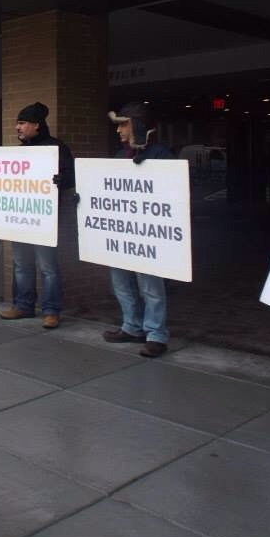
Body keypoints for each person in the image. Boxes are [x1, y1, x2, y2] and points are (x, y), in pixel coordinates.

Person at [102, 101, 174, 358]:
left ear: (139, 125)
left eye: (123, 124)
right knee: (121, 282)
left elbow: (172, 192)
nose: (118, 130)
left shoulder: (161, 155)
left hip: (146, 234)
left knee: (150, 286)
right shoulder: (119, 157)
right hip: (122, 231)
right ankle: (131, 326)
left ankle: (156, 334)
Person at [0, 101, 75, 330]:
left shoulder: (56, 148)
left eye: (22, 123)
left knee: (47, 267)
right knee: (21, 264)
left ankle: (51, 311)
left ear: (36, 125)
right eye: (17, 123)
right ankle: (23, 306)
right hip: (20, 218)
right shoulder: (19, 152)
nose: (17, 128)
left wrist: (62, 180)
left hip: (44, 220)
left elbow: (72, 176)